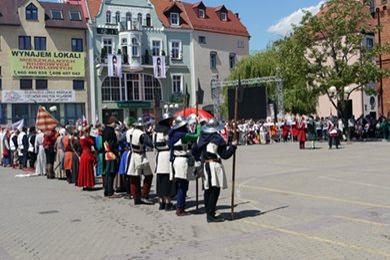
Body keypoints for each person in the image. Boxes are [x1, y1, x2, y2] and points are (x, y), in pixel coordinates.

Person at [192, 118, 237, 223]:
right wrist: (233, 147)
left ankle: (209, 212)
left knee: (208, 190)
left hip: (205, 165)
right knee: (214, 191)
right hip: (213, 166)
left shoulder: (201, 137)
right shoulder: (217, 138)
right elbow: (224, 155)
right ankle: (210, 215)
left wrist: (199, 160)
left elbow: (194, 151)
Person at [168, 116, 200, 216]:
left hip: (176, 160)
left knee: (180, 185)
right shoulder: (182, 135)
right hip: (182, 160)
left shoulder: (172, 134)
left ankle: (180, 206)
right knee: (183, 186)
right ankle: (180, 208)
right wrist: (198, 125)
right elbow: (196, 136)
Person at [127, 118, 154, 205]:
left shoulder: (129, 132)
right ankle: (144, 195)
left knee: (134, 178)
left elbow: (121, 139)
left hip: (132, 154)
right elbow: (150, 143)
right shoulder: (142, 134)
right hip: (140, 156)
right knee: (148, 175)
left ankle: (136, 197)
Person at [154, 113, 175, 211]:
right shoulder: (168, 131)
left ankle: (161, 201)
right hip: (166, 155)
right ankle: (167, 202)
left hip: (159, 155)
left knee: (160, 180)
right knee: (166, 180)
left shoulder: (155, 131)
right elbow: (170, 143)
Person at [103, 116, 120, 198]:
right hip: (111, 153)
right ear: (112, 122)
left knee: (107, 173)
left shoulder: (105, 130)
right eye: (115, 123)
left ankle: (107, 190)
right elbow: (112, 144)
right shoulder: (111, 131)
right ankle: (110, 191)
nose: (115, 125)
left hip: (106, 153)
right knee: (111, 173)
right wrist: (117, 145)